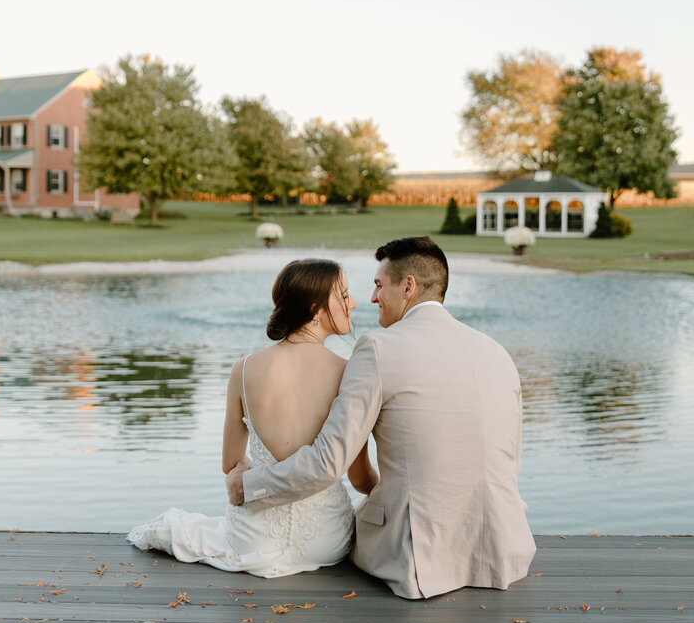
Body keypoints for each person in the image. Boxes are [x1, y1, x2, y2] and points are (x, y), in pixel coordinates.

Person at [228, 236, 535, 599]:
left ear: (408, 286)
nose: (370, 298)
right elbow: (509, 459)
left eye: (377, 285)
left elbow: (328, 464)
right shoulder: (497, 352)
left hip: (417, 558)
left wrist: (248, 485)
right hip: (503, 549)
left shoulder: (378, 348)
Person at [128, 259, 376, 576]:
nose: (352, 302)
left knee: (190, 528)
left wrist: (253, 473)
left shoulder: (244, 369)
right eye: (343, 295)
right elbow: (359, 478)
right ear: (315, 310)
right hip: (327, 541)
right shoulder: (348, 374)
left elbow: (231, 464)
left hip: (254, 539)